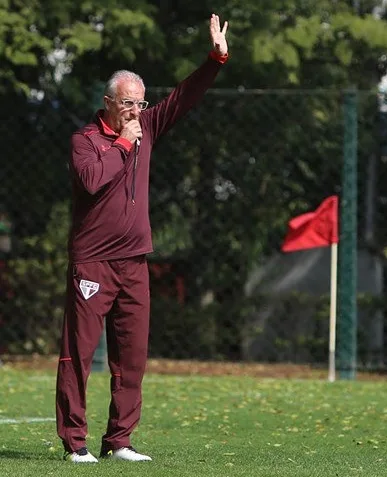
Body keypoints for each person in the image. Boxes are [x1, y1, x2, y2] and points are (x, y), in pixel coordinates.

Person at [56, 13, 229, 464]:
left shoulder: (147, 127)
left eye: (141, 103)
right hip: (92, 262)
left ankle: (119, 442)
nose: (138, 110)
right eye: (129, 103)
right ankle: (76, 444)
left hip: (134, 262)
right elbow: (93, 182)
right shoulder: (86, 141)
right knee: (77, 354)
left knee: (131, 358)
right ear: (109, 102)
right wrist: (123, 146)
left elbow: (183, 98)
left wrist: (215, 59)